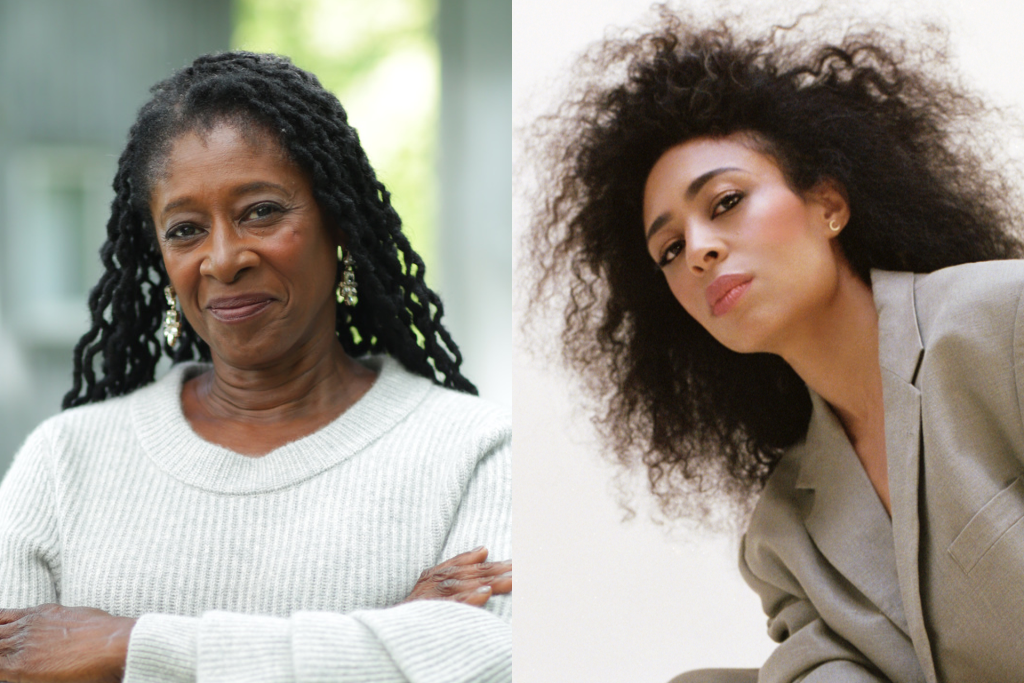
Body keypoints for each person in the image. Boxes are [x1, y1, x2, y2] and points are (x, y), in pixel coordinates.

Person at [528, 8, 1024, 683]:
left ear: (829, 204)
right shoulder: (782, 533)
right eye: (669, 248)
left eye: (726, 201)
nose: (698, 249)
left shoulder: (1000, 320)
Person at [0, 51, 511, 682]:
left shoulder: (474, 451)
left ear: (339, 223)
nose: (222, 258)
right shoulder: (62, 464)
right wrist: (381, 638)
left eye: (262, 212)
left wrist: (128, 646)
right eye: (185, 229)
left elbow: (489, 661)